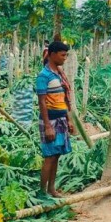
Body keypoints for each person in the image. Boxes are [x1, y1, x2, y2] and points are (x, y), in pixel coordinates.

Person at [37, 41, 78, 198]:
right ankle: (42, 193)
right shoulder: (44, 76)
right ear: (53, 55)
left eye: (66, 55)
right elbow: (42, 102)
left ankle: (51, 189)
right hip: (50, 121)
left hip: (61, 119)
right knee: (49, 156)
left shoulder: (59, 74)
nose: (65, 58)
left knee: (57, 155)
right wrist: (48, 126)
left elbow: (62, 100)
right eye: (62, 55)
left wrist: (68, 120)